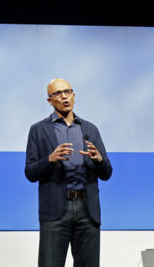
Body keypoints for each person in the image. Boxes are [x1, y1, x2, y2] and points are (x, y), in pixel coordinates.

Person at [25, 78, 113, 267]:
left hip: (87, 211)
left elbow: (107, 173)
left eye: (68, 91)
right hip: (56, 211)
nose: (64, 96)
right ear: (50, 100)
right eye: (58, 93)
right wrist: (49, 159)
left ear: (74, 95)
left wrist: (98, 160)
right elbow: (30, 172)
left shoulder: (90, 129)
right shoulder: (39, 130)